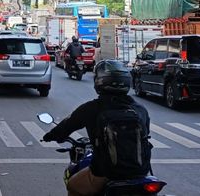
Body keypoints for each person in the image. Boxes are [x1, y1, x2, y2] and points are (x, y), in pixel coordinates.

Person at [42, 60, 151, 196]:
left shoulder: (92, 108)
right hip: (140, 172)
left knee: (73, 184)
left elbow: (67, 126)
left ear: (99, 82)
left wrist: (51, 136)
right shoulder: (140, 109)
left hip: (107, 172)